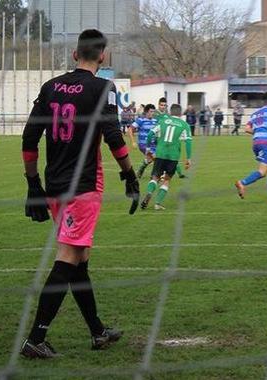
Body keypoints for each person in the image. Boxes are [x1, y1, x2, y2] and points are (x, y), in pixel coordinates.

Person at [20, 29, 140, 359]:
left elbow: (30, 138)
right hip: (83, 186)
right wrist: (129, 174)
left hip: (54, 185)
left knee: (80, 260)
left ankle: (98, 331)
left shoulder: (50, 87)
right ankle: (35, 338)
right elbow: (114, 135)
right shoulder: (104, 88)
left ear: (75, 55)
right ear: (103, 56)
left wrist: (32, 185)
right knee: (68, 258)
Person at [234, 92, 267, 204]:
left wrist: (257, 132)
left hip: (256, 143)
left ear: (263, 101)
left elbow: (247, 129)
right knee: (262, 172)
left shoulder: (255, 113)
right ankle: (242, 183)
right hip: (265, 143)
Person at [141, 104, 192, 210]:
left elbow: (150, 134)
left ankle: (149, 193)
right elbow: (188, 141)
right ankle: (157, 203)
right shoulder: (184, 125)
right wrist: (188, 158)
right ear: (180, 113)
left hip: (160, 154)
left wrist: (148, 150)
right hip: (173, 156)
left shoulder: (163, 121)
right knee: (166, 180)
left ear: (170, 112)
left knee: (155, 177)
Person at [128, 104, 157, 179]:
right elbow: (130, 129)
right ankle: (154, 175)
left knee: (150, 159)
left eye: (153, 111)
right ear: (146, 112)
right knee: (156, 158)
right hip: (144, 144)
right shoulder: (141, 120)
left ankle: (140, 170)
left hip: (154, 145)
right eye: (151, 111)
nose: (152, 113)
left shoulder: (155, 121)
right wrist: (133, 141)